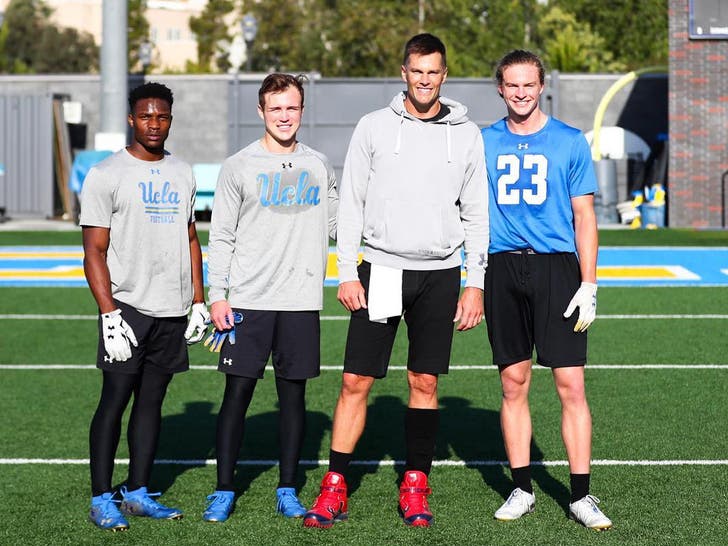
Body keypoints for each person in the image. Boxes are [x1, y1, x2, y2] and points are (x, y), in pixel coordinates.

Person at [303, 33, 488, 529]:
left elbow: (476, 212)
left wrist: (476, 282)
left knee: (423, 380)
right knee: (354, 381)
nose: (424, 80)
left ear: (443, 76)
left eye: (433, 72)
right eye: (416, 71)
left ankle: (415, 485)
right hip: (381, 269)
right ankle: (334, 487)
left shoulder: (467, 134)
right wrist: (345, 272)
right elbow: (351, 204)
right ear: (403, 72)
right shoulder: (373, 127)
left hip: (441, 273)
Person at [481, 50, 612, 531]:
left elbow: (584, 216)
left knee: (570, 384)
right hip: (502, 268)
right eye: (512, 85)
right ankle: (521, 487)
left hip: (557, 269)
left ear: (542, 87)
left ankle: (581, 494)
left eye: (528, 85)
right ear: (500, 88)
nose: (520, 93)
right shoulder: (483, 142)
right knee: (513, 383)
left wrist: (590, 283)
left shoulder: (569, 141)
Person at [201, 73, 338, 523]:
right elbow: (220, 235)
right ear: (260, 111)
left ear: (302, 110)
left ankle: (287, 487)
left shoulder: (319, 164)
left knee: (293, 399)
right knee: (236, 394)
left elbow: (341, 227)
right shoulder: (238, 166)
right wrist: (217, 296)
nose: (284, 116)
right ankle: (224, 489)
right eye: (275, 108)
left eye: (292, 107)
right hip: (247, 302)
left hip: (300, 301)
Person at [81, 82, 209, 531]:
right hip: (128, 309)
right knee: (114, 401)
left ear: (170, 119)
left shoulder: (183, 172)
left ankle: (136, 491)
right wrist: (108, 313)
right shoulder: (106, 174)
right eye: (146, 116)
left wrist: (198, 299)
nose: (155, 124)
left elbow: (191, 238)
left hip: (171, 309)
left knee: (152, 402)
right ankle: (101, 497)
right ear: (131, 119)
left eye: (163, 117)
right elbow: (93, 251)